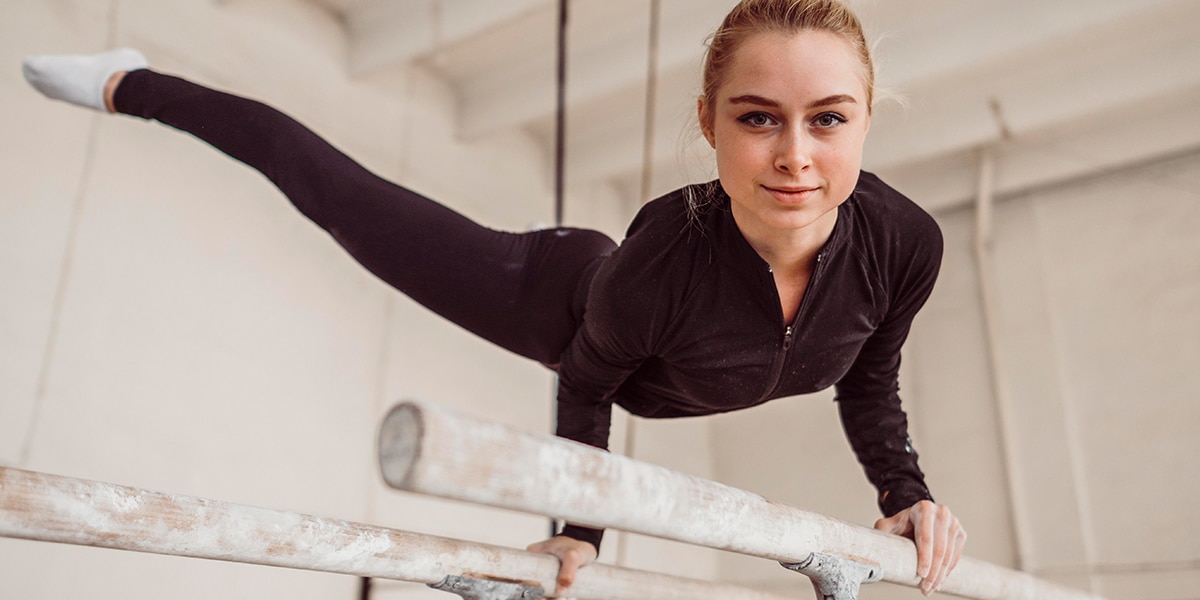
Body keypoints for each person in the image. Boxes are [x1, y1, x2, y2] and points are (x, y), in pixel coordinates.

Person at [23, 0, 966, 595]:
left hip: (628, 312)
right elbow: (588, 385)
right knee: (324, 184)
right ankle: (128, 81)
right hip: (553, 291)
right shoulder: (663, 261)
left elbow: (869, 382)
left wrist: (904, 497)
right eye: (758, 117)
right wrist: (579, 534)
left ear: (866, 120)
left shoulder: (903, 245)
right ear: (710, 125)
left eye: (828, 119)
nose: (795, 154)